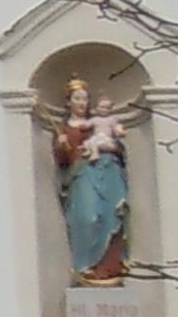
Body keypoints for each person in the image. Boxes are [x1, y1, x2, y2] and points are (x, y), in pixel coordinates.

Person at [51, 79, 133, 284]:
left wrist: (114, 147)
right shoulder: (64, 128)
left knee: (112, 216)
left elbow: (119, 146)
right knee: (88, 217)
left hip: (109, 171)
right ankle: (84, 266)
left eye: (85, 99)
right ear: (68, 102)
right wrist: (62, 146)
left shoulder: (99, 122)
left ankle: (110, 268)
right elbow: (63, 161)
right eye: (77, 98)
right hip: (83, 174)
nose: (82, 103)